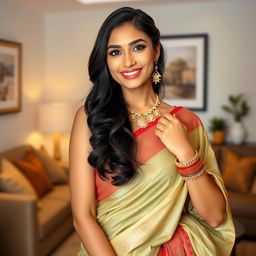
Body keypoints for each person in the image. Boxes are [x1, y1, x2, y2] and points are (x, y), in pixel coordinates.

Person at [69, 7, 235, 256]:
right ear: (106, 60)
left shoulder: (186, 122)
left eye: (138, 47)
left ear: (155, 50)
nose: (128, 61)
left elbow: (213, 217)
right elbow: (83, 217)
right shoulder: (89, 117)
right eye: (115, 52)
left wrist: (185, 152)